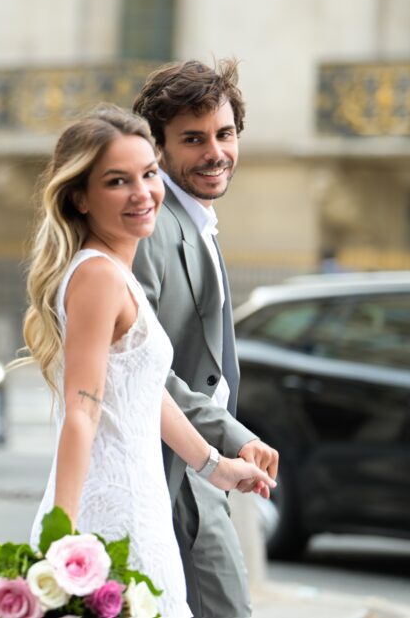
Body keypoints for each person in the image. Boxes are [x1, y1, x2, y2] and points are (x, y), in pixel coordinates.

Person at [23, 104, 276, 618]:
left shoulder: (114, 270)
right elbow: (82, 410)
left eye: (148, 174)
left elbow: (144, 389)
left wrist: (215, 467)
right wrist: (61, 538)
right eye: (118, 181)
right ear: (80, 197)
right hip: (115, 506)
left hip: (142, 500)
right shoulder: (97, 276)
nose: (143, 193)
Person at [131, 59, 280, 618]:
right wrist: (229, 438)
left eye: (225, 134)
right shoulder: (152, 224)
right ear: (159, 147)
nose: (215, 152)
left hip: (202, 463)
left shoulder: (194, 216)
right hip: (173, 462)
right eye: (193, 140)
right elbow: (141, 363)